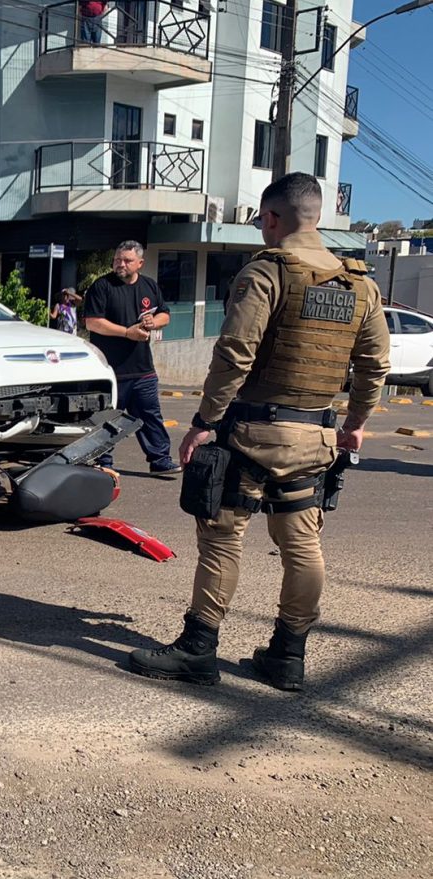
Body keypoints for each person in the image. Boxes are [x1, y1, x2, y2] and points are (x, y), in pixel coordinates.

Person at [129, 173, 390, 690]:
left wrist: (203, 422)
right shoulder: (360, 283)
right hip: (315, 436)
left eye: (261, 221)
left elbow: (235, 354)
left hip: (252, 432)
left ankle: (198, 649)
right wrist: (356, 424)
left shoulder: (266, 272)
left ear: (272, 218)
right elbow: (375, 365)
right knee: (302, 545)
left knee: (223, 539)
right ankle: (287, 656)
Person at [83, 241, 182, 476]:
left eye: (126, 260)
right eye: (118, 259)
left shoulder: (149, 286)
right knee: (108, 419)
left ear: (140, 263)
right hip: (111, 370)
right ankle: (103, 462)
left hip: (143, 369)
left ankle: (160, 459)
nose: (120, 264)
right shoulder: (102, 287)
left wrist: (152, 322)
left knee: (150, 416)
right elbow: (93, 322)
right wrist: (127, 332)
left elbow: (164, 314)